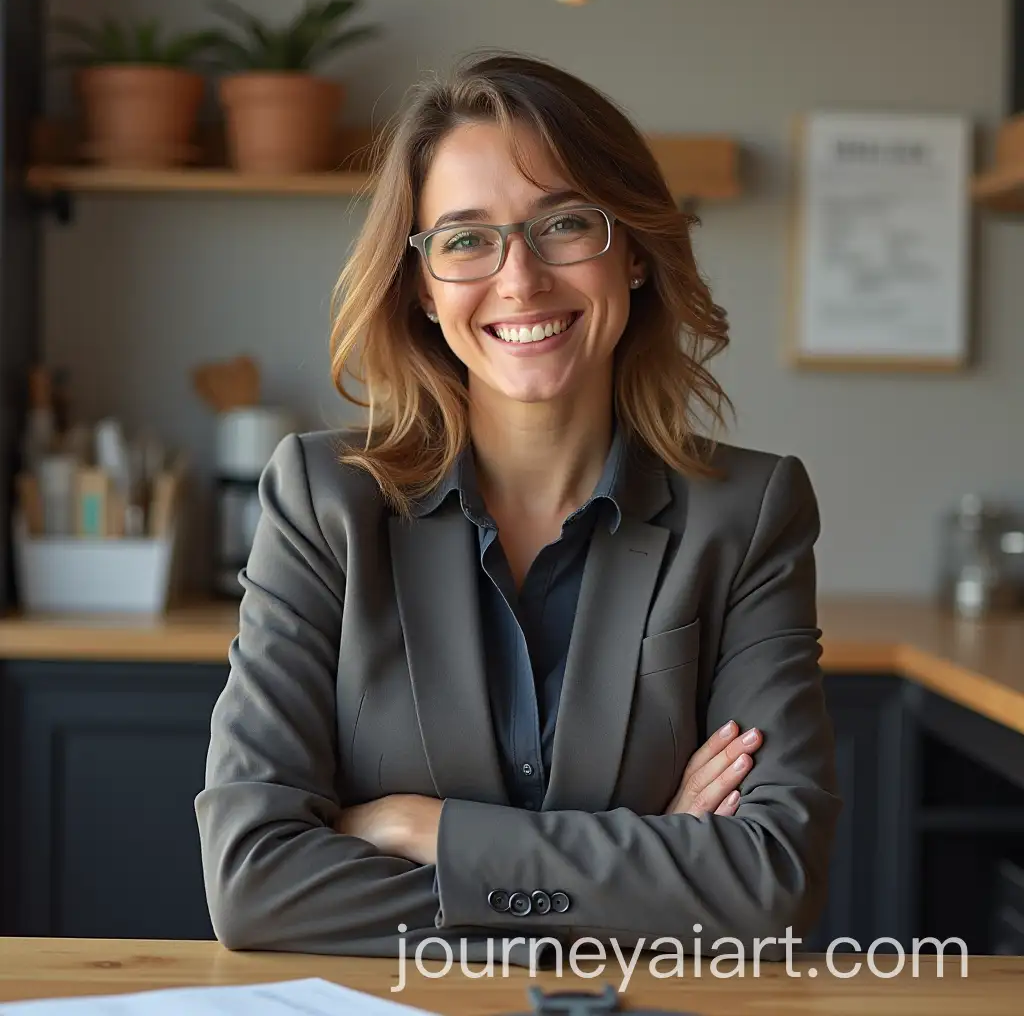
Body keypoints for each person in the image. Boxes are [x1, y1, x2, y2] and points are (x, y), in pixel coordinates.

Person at [195, 51, 840, 966]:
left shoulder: (748, 513)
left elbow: (772, 886)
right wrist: (644, 876)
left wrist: (429, 829)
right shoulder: (323, 501)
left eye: (565, 225)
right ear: (420, 284)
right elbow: (255, 883)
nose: (521, 279)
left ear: (637, 254)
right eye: (465, 239)